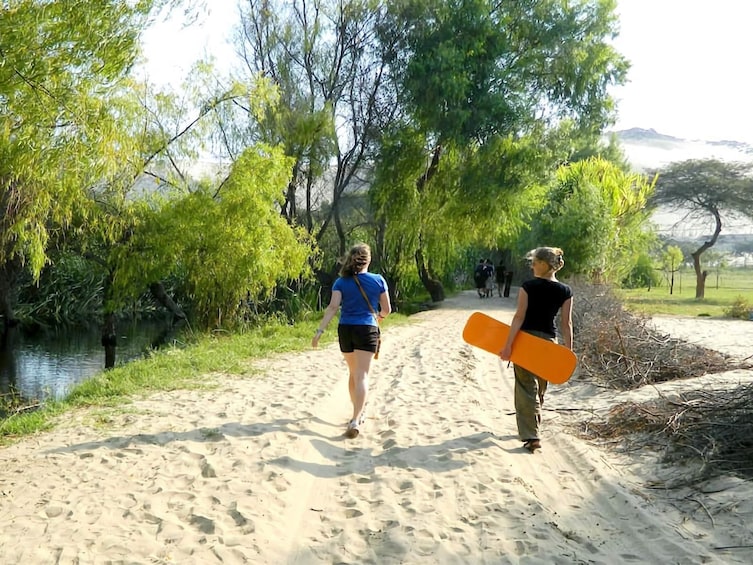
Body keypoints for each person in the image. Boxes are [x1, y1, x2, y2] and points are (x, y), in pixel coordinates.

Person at [311, 243, 391, 438]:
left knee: (353, 372)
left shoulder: (341, 282)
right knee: (362, 374)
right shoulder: (378, 280)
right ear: (368, 260)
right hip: (367, 328)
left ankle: (355, 411)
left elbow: (332, 307)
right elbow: (387, 310)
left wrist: (319, 331)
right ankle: (356, 418)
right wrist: (377, 318)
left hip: (345, 329)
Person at [499, 247, 573, 453]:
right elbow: (567, 324)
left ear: (543, 264)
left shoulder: (528, 286)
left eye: (534, 262)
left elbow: (519, 317)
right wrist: (568, 351)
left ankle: (532, 435)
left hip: (526, 341)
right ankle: (532, 425)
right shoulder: (565, 291)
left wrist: (508, 345)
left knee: (525, 388)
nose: (531, 266)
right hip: (549, 343)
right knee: (540, 387)